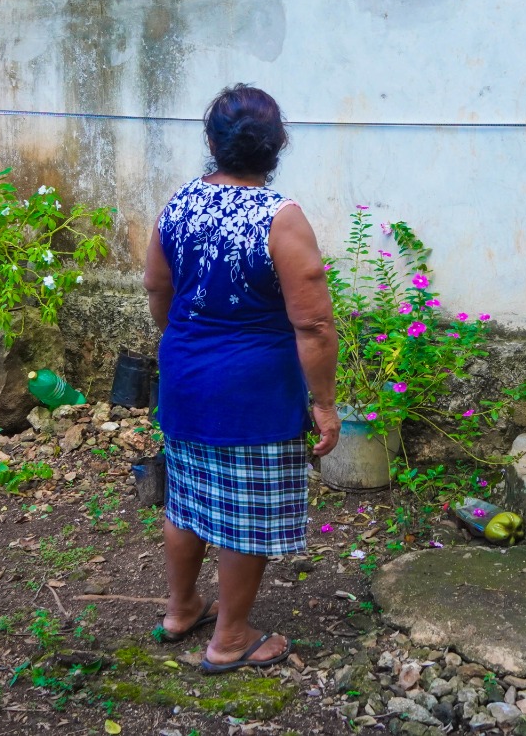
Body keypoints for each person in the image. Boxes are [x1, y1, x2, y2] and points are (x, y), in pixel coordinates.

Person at [142, 84, 340, 674]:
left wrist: (184, 337)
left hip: (185, 374)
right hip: (251, 390)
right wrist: (325, 404)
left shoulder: (178, 206)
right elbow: (314, 326)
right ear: (277, 147)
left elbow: (158, 288)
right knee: (243, 511)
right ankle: (230, 638)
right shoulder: (282, 219)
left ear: (211, 142)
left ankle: (181, 610)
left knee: (187, 498)